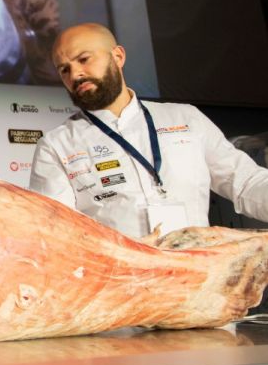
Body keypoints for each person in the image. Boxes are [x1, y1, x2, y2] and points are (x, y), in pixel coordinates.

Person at [29, 23, 268, 238]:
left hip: (201, 277)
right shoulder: (57, 145)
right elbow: (56, 231)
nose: (75, 75)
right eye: (64, 70)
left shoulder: (186, 118)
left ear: (118, 56)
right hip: (122, 282)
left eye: (83, 59)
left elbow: (246, 183)